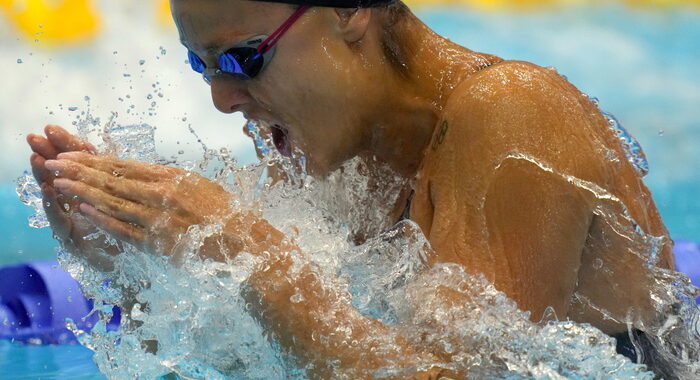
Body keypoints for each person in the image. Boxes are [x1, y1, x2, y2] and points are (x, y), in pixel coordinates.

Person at [27, 0, 675, 377]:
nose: (223, 99)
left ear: (349, 11)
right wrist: (128, 265)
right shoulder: (314, 136)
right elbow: (255, 357)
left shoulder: (516, 117)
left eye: (242, 58)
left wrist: (250, 252)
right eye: (201, 64)